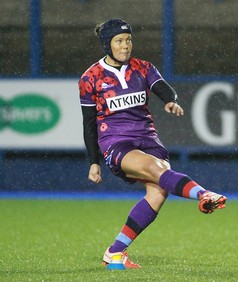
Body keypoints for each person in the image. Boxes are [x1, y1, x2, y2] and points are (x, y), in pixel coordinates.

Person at [78, 18, 227, 270]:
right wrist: (94, 161)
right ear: (107, 44)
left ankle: (115, 252)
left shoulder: (143, 67)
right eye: (119, 41)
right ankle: (204, 194)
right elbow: (89, 123)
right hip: (116, 141)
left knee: (157, 193)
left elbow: (161, 87)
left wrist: (170, 100)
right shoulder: (90, 78)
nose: (125, 46)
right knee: (157, 171)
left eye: (128, 40)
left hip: (148, 138)